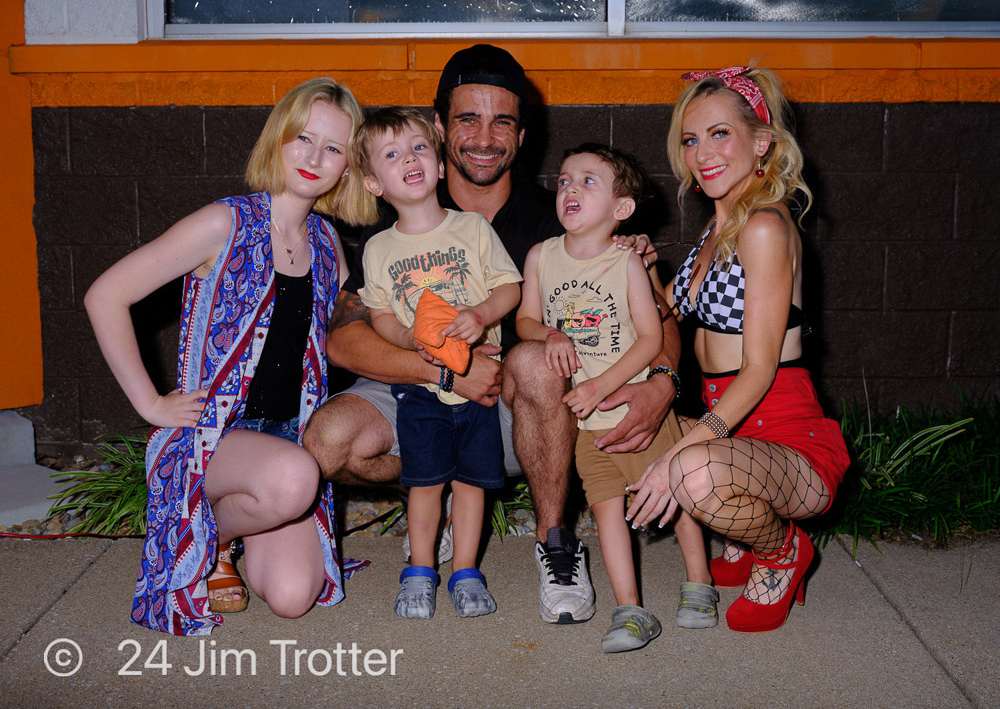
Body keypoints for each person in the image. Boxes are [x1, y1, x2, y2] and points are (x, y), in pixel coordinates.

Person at [303, 44, 683, 625]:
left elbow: (659, 314)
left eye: (502, 121)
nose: (484, 137)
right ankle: (434, 497)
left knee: (533, 360)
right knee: (327, 442)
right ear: (438, 128)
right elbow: (344, 339)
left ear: (522, 135)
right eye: (467, 119)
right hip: (424, 390)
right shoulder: (393, 216)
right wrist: (446, 371)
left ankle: (555, 543)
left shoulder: (568, 214)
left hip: (521, 409)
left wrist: (662, 382)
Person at [84, 77, 377, 635]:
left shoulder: (325, 242)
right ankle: (201, 536)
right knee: (295, 478)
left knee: (294, 596)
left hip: (289, 436)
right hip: (212, 437)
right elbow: (105, 295)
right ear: (278, 139)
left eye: (333, 148)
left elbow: (351, 338)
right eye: (303, 138)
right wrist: (150, 403)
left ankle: (221, 540)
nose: (314, 158)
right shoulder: (225, 222)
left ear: (348, 168)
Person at [627, 65, 851, 633]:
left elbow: (758, 372)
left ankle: (781, 552)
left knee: (691, 471)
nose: (702, 153)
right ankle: (743, 538)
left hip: (784, 432)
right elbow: (668, 316)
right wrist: (641, 267)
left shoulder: (763, 227)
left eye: (720, 133)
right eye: (690, 139)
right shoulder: (718, 226)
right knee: (651, 441)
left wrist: (675, 458)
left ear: (762, 142)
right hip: (733, 423)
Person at [516, 143, 716, 651]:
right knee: (608, 514)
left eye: (588, 181)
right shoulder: (542, 256)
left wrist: (603, 386)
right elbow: (524, 319)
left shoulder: (625, 262)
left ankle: (700, 583)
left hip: (630, 408)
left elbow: (651, 339)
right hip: (585, 425)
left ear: (621, 207)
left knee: (674, 499)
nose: (570, 188)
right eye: (564, 180)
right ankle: (630, 609)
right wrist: (549, 335)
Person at [353, 107, 521, 618]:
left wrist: (481, 314)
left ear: (441, 164)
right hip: (421, 392)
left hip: (478, 386)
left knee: (471, 484)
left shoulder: (472, 228)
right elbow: (380, 314)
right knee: (424, 484)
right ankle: (420, 570)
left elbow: (509, 287)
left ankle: (466, 571)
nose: (409, 159)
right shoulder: (379, 248)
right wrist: (407, 337)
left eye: (419, 148)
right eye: (392, 154)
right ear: (373, 183)